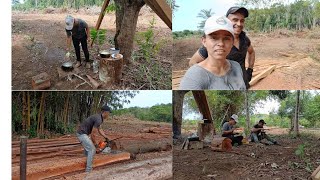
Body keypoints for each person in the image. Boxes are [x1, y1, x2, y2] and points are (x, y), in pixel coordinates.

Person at [189, 7, 255, 89]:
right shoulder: (215, 45)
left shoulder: (245, 39)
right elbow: (193, 62)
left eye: (242, 21)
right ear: (227, 21)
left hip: (243, 83)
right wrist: (212, 80)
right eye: (235, 20)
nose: (239, 24)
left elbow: (251, 52)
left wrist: (250, 70)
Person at [179, 15, 246, 90]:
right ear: (204, 41)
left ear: (232, 43)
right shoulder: (194, 77)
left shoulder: (236, 66)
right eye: (214, 38)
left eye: (226, 38)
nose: (221, 43)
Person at [76, 104, 111, 172]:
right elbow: (93, 134)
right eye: (109, 113)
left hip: (83, 133)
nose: (108, 115)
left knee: (88, 149)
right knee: (92, 149)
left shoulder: (99, 118)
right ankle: (88, 170)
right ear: (105, 112)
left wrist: (106, 137)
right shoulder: (98, 119)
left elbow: (100, 129)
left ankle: (84, 163)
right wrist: (95, 145)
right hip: (82, 134)